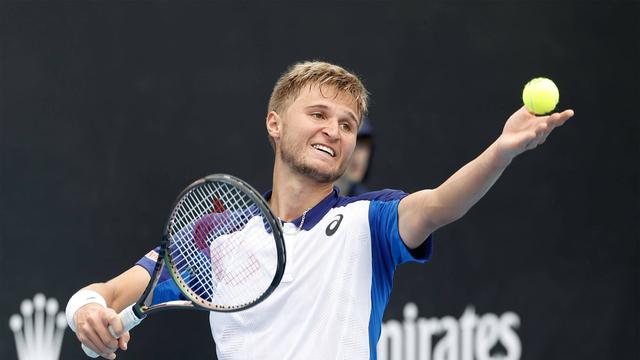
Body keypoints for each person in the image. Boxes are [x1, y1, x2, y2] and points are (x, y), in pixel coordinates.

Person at [65, 61, 574, 359]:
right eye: (318, 114)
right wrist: (85, 311)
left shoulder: (369, 222)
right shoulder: (213, 238)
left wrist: (503, 150)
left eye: (348, 124)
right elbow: (107, 293)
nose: (335, 130)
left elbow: (440, 204)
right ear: (275, 124)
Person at [335, 115, 375, 196]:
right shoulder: (307, 195)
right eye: (352, 146)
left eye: (362, 146)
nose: (359, 159)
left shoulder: (366, 203)